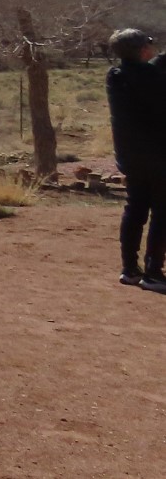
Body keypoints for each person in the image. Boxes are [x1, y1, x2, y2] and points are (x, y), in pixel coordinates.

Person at [105, 28, 166, 292]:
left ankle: (129, 269)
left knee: (135, 209)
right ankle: (153, 273)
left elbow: (149, 70)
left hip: (129, 157)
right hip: (159, 156)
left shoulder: (115, 76)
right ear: (143, 50)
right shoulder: (154, 78)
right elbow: (154, 75)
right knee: (162, 214)